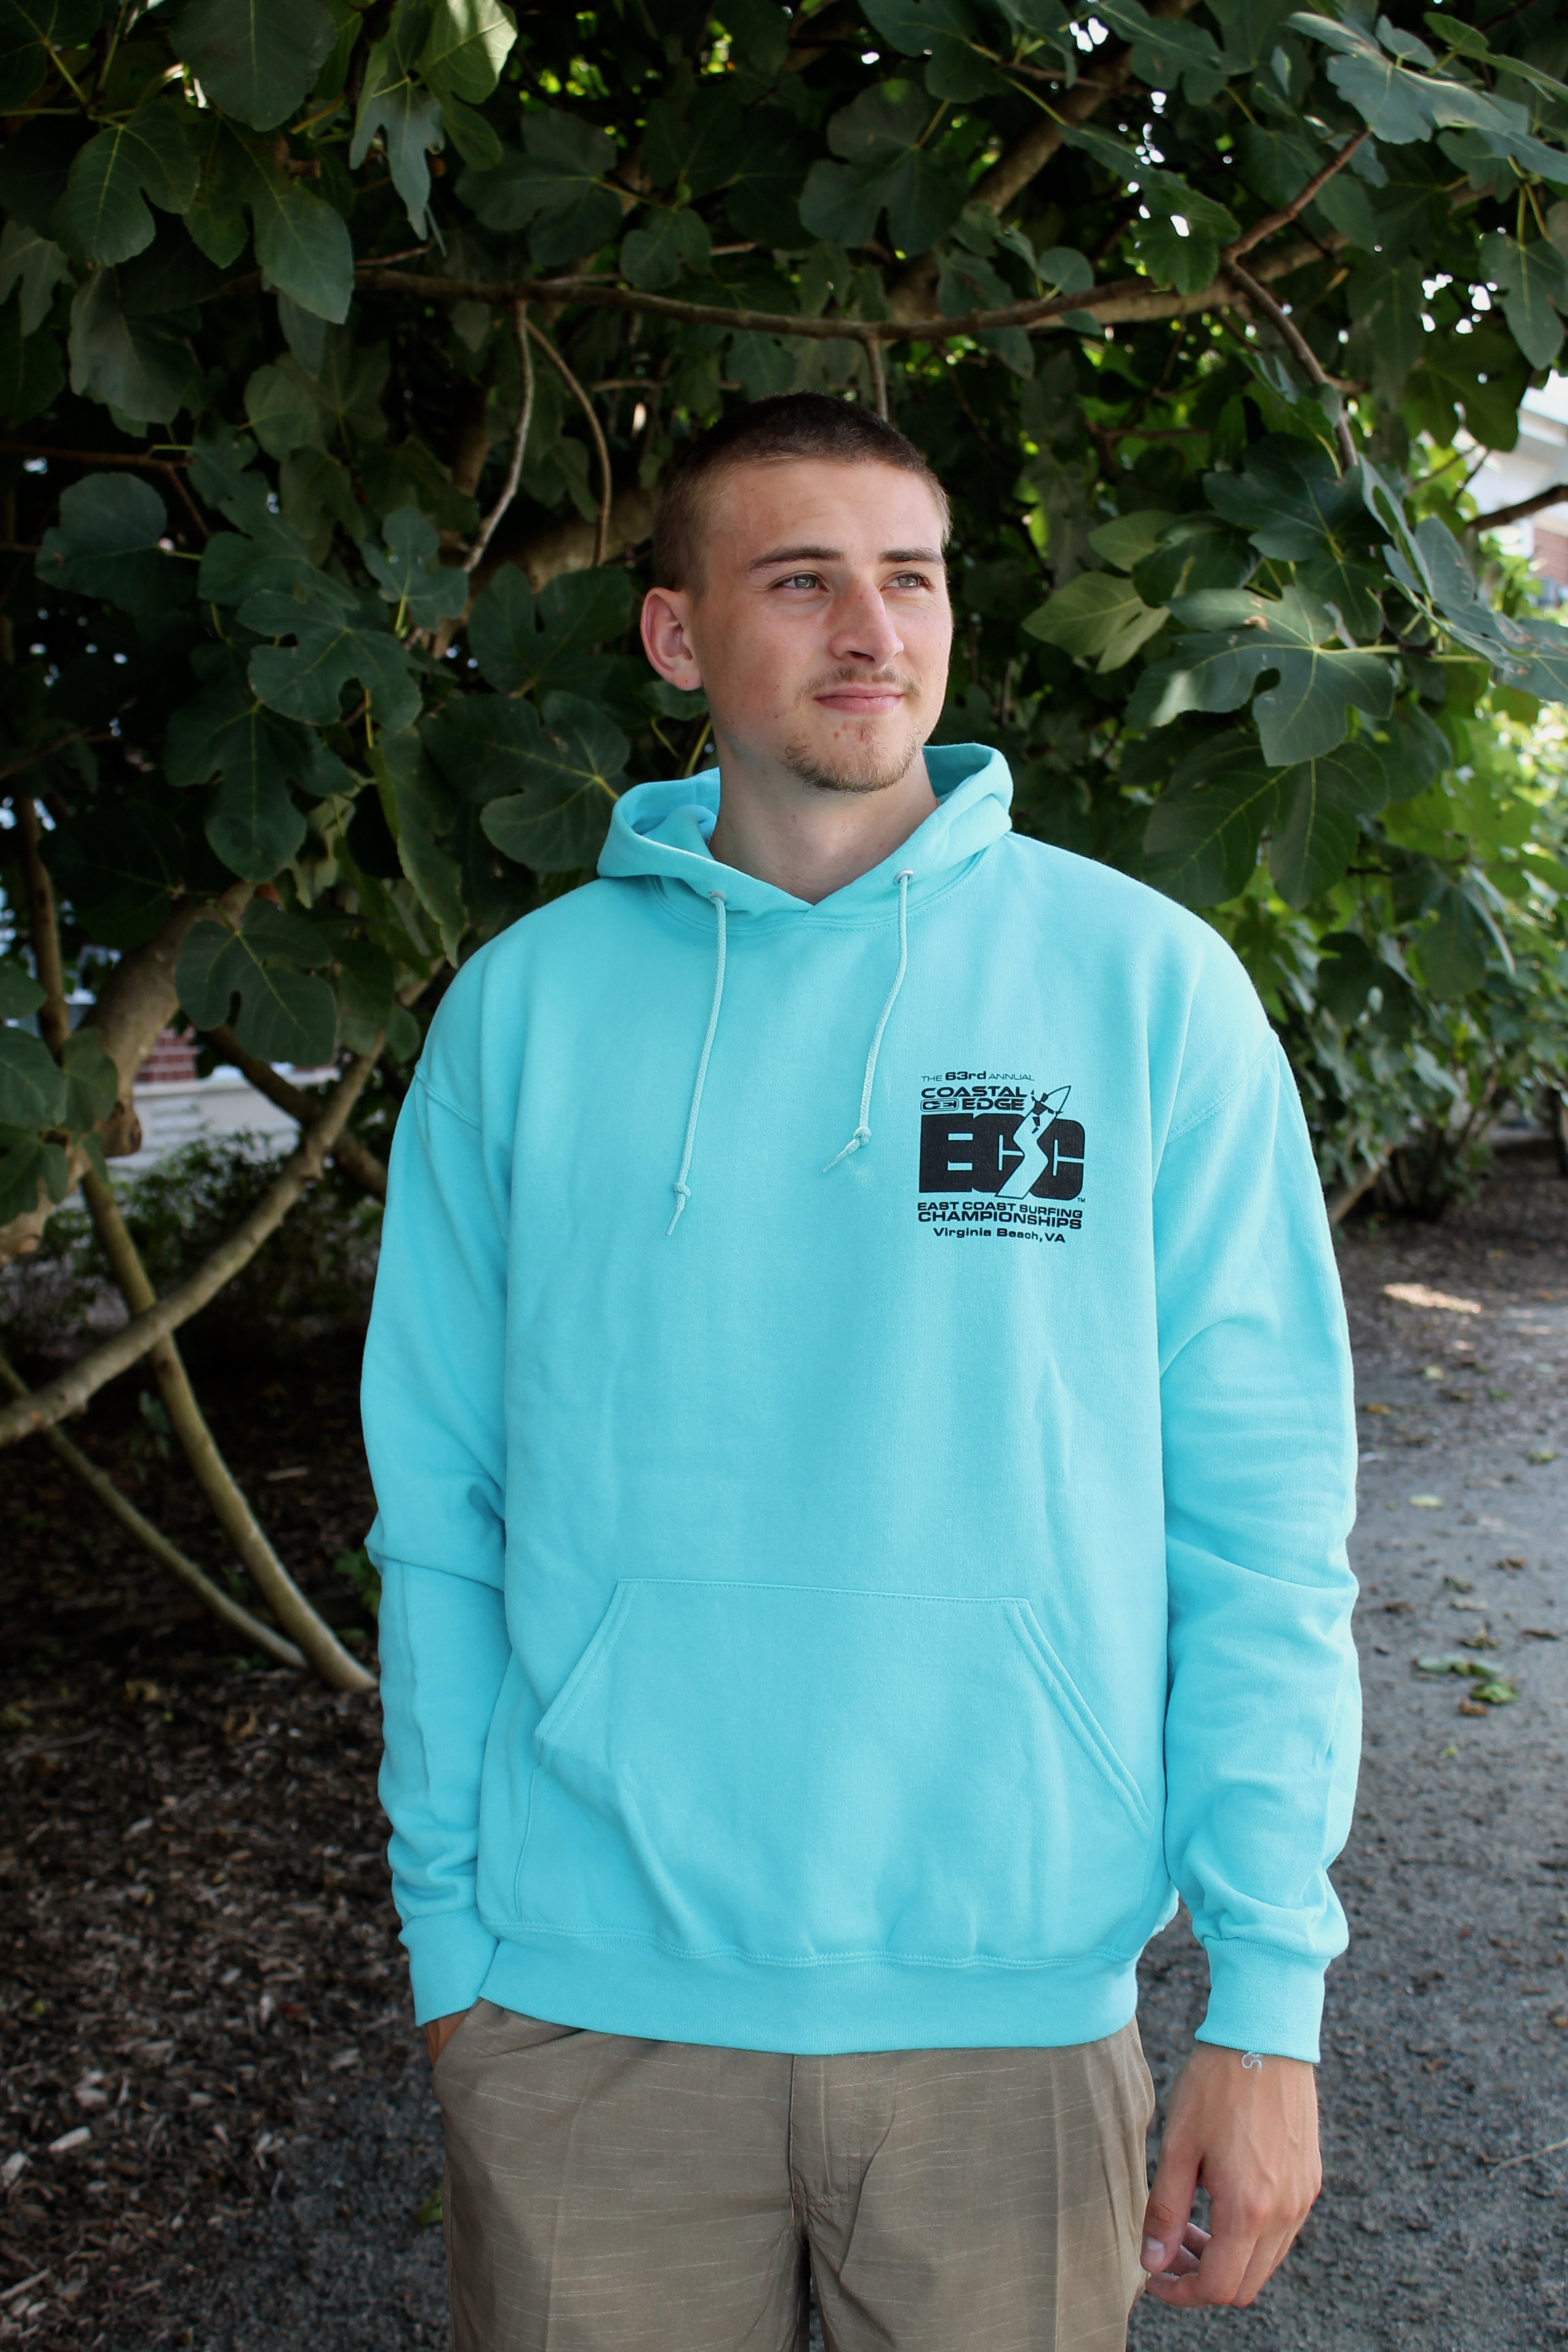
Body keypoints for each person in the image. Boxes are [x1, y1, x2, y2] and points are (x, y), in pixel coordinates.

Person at [362, 390, 1359, 2352]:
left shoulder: (1148, 991)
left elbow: (1261, 1527)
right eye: (802, 581)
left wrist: (1268, 1999)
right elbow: (440, 1514)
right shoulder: (521, 1018)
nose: (872, 632)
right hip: (588, 2017)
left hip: (1012, 2017)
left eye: (910, 578)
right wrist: (453, 1947)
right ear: (676, 636)